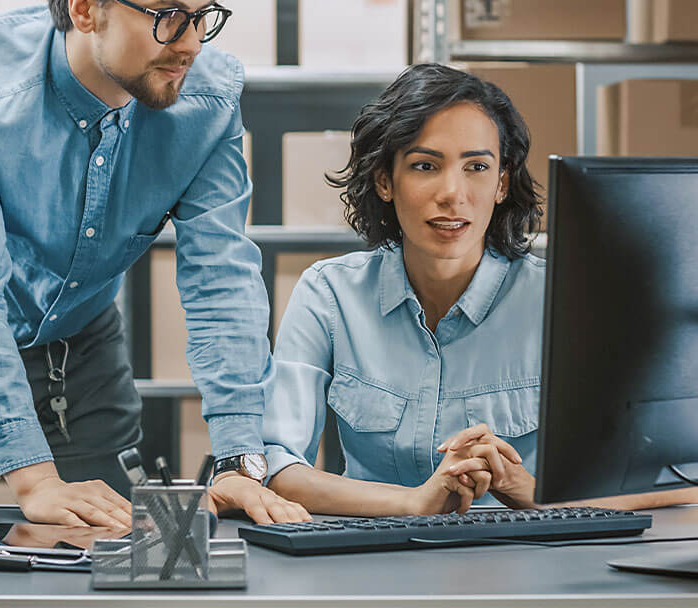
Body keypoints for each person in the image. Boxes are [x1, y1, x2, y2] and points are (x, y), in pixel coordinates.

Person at [0, 0, 308, 528]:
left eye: (204, 15)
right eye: (169, 15)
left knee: (115, 544)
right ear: (85, 7)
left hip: (78, 343)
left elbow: (222, 281)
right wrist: (33, 478)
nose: (193, 43)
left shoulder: (209, 101)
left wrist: (238, 458)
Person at [262, 64, 698, 515]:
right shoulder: (329, 295)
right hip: (369, 558)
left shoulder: (563, 303)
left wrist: (537, 493)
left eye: (476, 167)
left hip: (527, 566)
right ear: (385, 181)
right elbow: (277, 465)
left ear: (501, 184)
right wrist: (414, 502)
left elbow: (682, 475)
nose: (453, 193)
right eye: (425, 165)